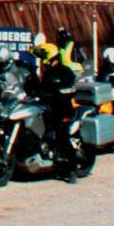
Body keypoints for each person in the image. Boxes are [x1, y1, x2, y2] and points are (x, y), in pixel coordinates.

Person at [32, 40, 80, 183]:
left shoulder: (65, 71)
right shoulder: (47, 74)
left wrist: (57, 93)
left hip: (63, 110)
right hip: (48, 109)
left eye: (43, 57)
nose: (42, 61)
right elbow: (41, 88)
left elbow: (71, 88)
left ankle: (72, 170)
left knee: (62, 136)